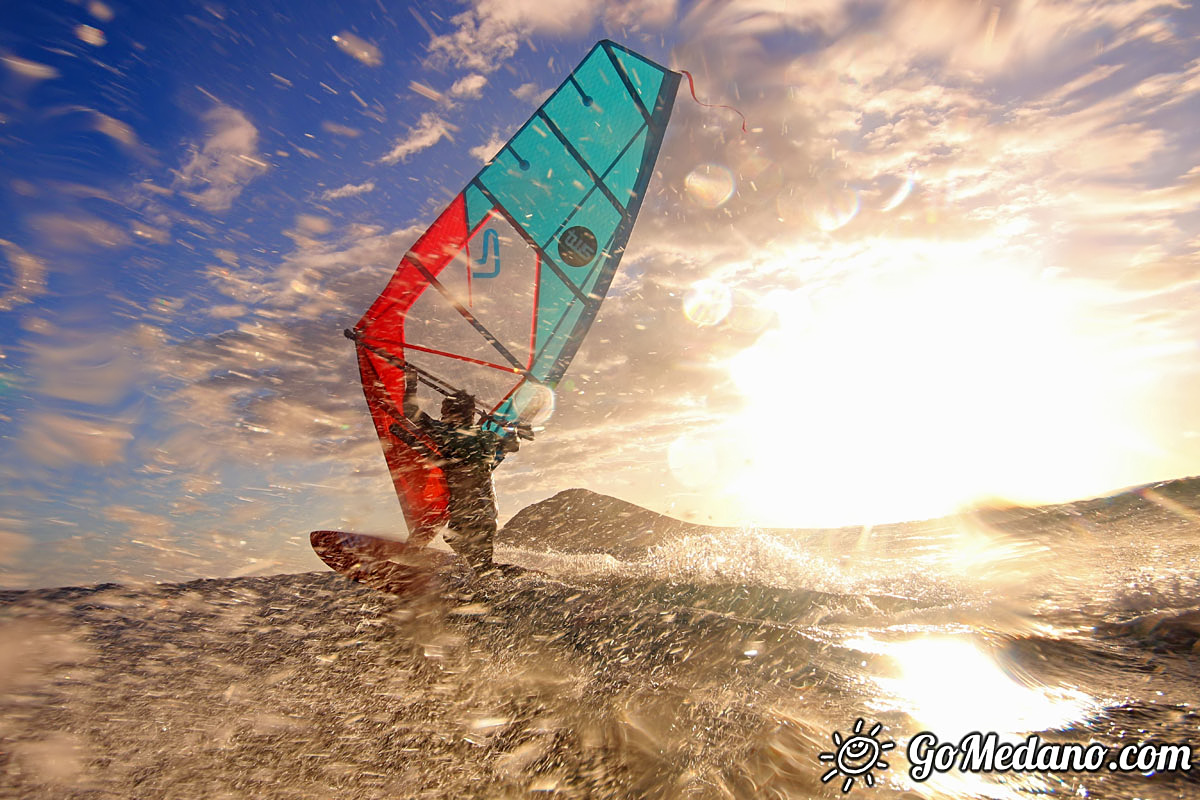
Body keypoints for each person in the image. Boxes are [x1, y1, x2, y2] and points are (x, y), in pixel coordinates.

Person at [395, 371, 520, 572]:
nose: (442, 417)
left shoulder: (448, 433)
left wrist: (411, 384)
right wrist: (512, 430)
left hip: (469, 514)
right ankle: (500, 578)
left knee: (469, 553)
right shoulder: (486, 436)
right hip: (487, 511)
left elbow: (410, 412)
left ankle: (498, 581)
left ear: (453, 414)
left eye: (444, 412)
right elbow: (513, 444)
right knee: (478, 560)